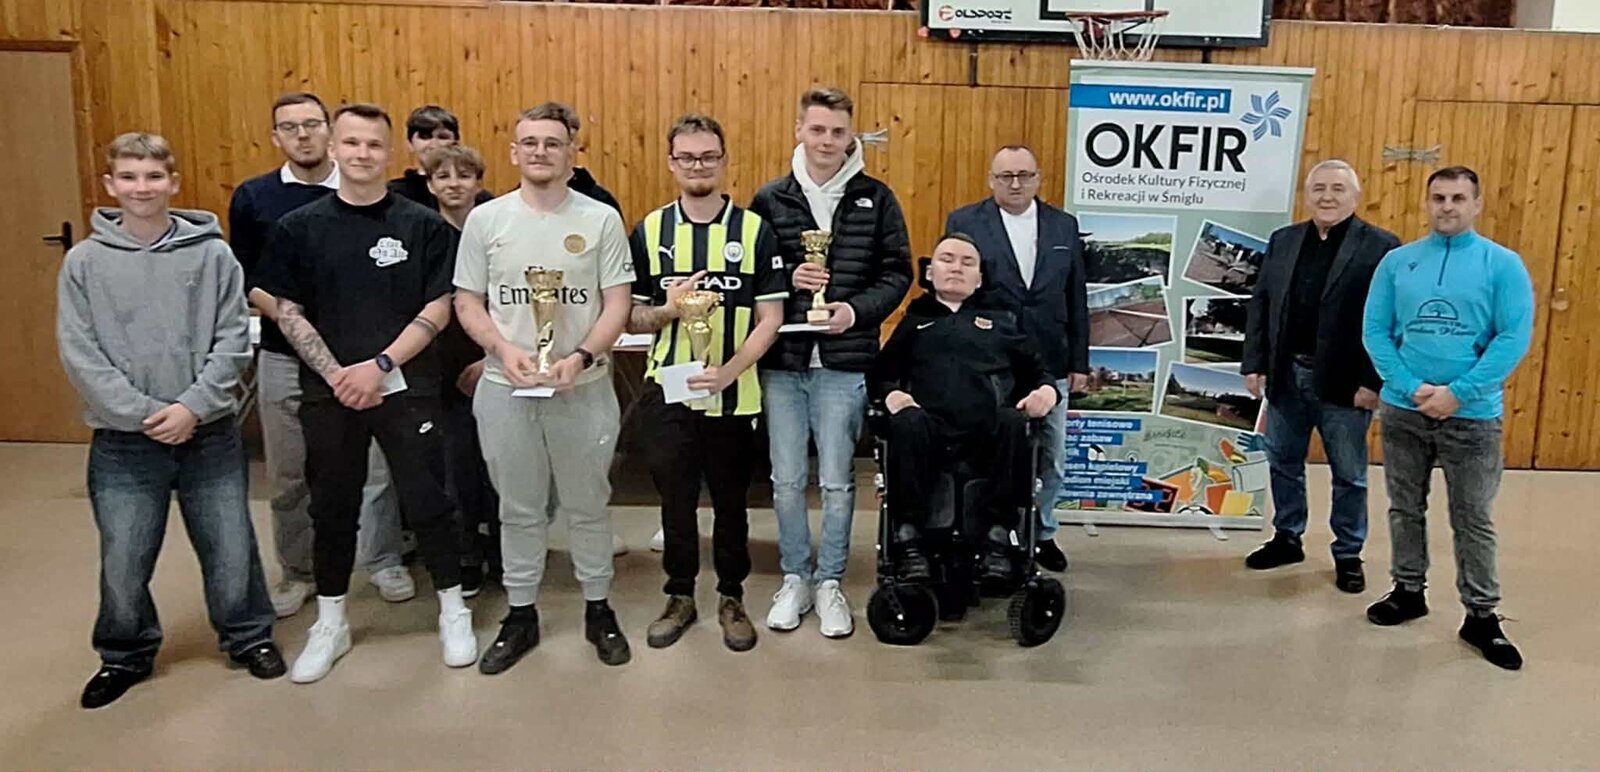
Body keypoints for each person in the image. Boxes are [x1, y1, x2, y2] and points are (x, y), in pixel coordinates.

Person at [59, 133, 283, 709]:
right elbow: (80, 352)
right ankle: (124, 653)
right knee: (124, 556)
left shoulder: (213, 256)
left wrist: (193, 407)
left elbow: (233, 338)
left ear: (173, 183)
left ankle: (248, 636)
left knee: (230, 545)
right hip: (123, 441)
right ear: (110, 185)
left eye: (153, 176)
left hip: (207, 433)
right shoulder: (84, 262)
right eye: (129, 177)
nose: (142, 188)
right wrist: (142, 413)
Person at [255, 103, 475, 683]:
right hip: (330, 391)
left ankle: (453, 609)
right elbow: (287, 310)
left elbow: (440, 306)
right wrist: (338, 375)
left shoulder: (421, 225)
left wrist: (380, 366)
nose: (361, 153)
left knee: (428, 498)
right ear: (333, 148)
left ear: (389, 153)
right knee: (332, 505)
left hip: (407, 386)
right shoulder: (299, 227)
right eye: (351, 143)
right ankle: (331, 621)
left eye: (373, 145)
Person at [453, 102, 634, 673]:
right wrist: (500, 349)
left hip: (582, 387)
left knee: (588, 504)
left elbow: (617, 303)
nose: (540, 152)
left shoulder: (599, 219)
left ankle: (599, 608)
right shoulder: (487, 221)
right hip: (507, 388)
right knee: (519, 508)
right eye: (529, 142)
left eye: (552, 143)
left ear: (571, 152)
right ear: (514, 152)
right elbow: (467, 300)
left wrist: (581, 355)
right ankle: (521, 613)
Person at [229, 92, 412, 619]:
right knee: (289, 472)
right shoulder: (255, 198)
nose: (303, 135)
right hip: (287, 356)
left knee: (376, 469)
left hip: (365, 362)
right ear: (276, 137)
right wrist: (301, 326)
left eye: (312, 124)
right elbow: (249, 279)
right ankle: (299, 570)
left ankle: (382, 559)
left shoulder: (367, 192)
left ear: (328, 134)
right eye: (290, 127)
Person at [751, 87, 912, 639]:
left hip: (844, 362)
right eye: (817, 129)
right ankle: (795, 576)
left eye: (838, 132)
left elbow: (898, 272)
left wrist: (854, 311)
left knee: (840, 481)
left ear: (850, 137)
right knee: (786, 479)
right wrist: (787, 277)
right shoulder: (770, 199)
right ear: (799, 130)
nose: (827, 141)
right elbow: (755, 274)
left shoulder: (877, 198)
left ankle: (830, 582)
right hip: (783, 359)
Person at [1361, 165, 1533, 670]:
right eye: (1439, 197)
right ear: (1427, 203)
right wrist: (1409, 386)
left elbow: (1512, 338)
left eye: (1458, 198)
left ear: (1476, 204)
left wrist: (1459, 393)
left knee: (1472, 516)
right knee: (1404, 507)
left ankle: (1481, 615)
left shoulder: (1502, 265)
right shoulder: (1398, 263)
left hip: (1472, 417)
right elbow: (1375, 331)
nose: (1448, 207)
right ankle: (1407, 590)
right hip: (1405, 410)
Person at [627, 114, 787, 653]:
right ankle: (679, 595)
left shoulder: (754, 231)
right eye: (688, 157)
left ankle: (731, 596)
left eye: (708, 156)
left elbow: (770, 317)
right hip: (669, 389)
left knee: (731, 502)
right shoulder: (651, 231)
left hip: (734, 390)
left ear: (724, 161)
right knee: (675, 501)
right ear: (672, 162)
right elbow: (630, 316)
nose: (698, 165)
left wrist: (730, 371)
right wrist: (668, 310)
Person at [1242, 159, 1402, 593]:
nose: (1327, 197)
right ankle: (1287, 537)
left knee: (1349, 474)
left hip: (1346, 383)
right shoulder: (1284, 240)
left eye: (1337, 189)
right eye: (1319, 188)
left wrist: (1374, 382)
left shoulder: (1382, 246)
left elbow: (1391, 319)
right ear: (1307, 195)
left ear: (1355, 196)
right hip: (1285, 375)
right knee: (1283, 463)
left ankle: (1348, 553)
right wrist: (1254, 363)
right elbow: (1262, 303)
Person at [869, 234, 1058, 582]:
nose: (956, 267)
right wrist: (891, 394)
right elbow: (880, 375)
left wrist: (1046, 391)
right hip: (929, 434)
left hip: (989, 434)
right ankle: (910, 541)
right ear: (930, 273)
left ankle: (998, 540)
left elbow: (1038, 371)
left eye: (967, 262)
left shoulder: (1002, 323)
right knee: (906, 422)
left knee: (1014, 422)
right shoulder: (914, 323)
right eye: (947, 259)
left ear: (980, 278)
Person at [944, 144, 1087, 573]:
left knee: (1052, 458)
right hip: (992, 362)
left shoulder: (1064, 226)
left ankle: (1042, 534)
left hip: (1051, 359)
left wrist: (1079, 362)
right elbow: (956, 294)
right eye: (1006, 176)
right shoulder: (965, 222)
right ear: (991, 180)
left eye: (1024, 175)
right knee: (994, 454)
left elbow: (1076, 297)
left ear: (1038, 178)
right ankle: (992, 534)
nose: (1016, 184)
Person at [421, 143, 501, 596]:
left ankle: (503, 552)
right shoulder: (421, 234)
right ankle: (465, 554)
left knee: (499, 468)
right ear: (430, 184)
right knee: (455, 470)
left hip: (493, 364)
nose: (454, 184)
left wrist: (493, 358)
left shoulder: (495, 232)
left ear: (478, 182)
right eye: (443, 176)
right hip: (439, 372)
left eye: (464, 175)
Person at [388, 104, 492, 210]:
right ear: (410, 143)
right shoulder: (394, 195)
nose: (434, 145)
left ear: (456, 143)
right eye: (425, 137)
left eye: (443, 137)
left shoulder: (480, 199)